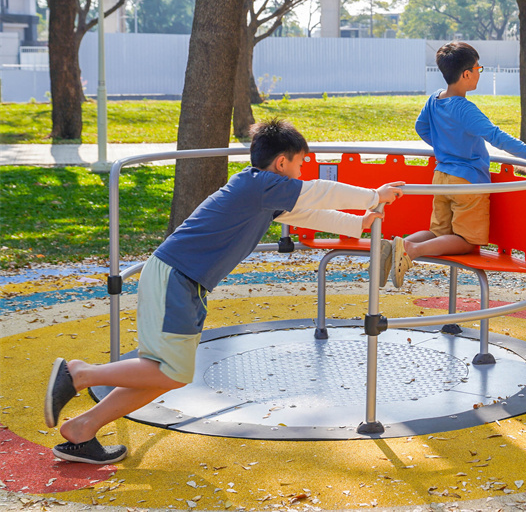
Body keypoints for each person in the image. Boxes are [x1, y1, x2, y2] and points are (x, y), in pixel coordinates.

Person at [43, 118, 404, 464]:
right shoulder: (259, 185)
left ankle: (82, 429)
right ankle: (79, 374)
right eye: (300, 164)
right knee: (172, 373)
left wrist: (358, 223)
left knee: (161, 375)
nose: (301, 172)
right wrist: (374, 195)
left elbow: (307, 214)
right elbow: (318, 192)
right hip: (177, 277)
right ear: (281, 163)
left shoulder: (260, 191)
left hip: (184, 279)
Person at [391, 41, 526, 288]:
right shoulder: (464, 108)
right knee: (465, 241)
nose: (479, 73)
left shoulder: (434, 99)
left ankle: (396, 247)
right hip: (467, 182)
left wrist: (443, 146)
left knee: (439, 234)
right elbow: (496, 137)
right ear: (466, 74)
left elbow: (421, 127)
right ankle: (410, 250)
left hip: (441, 177)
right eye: (478, 68)